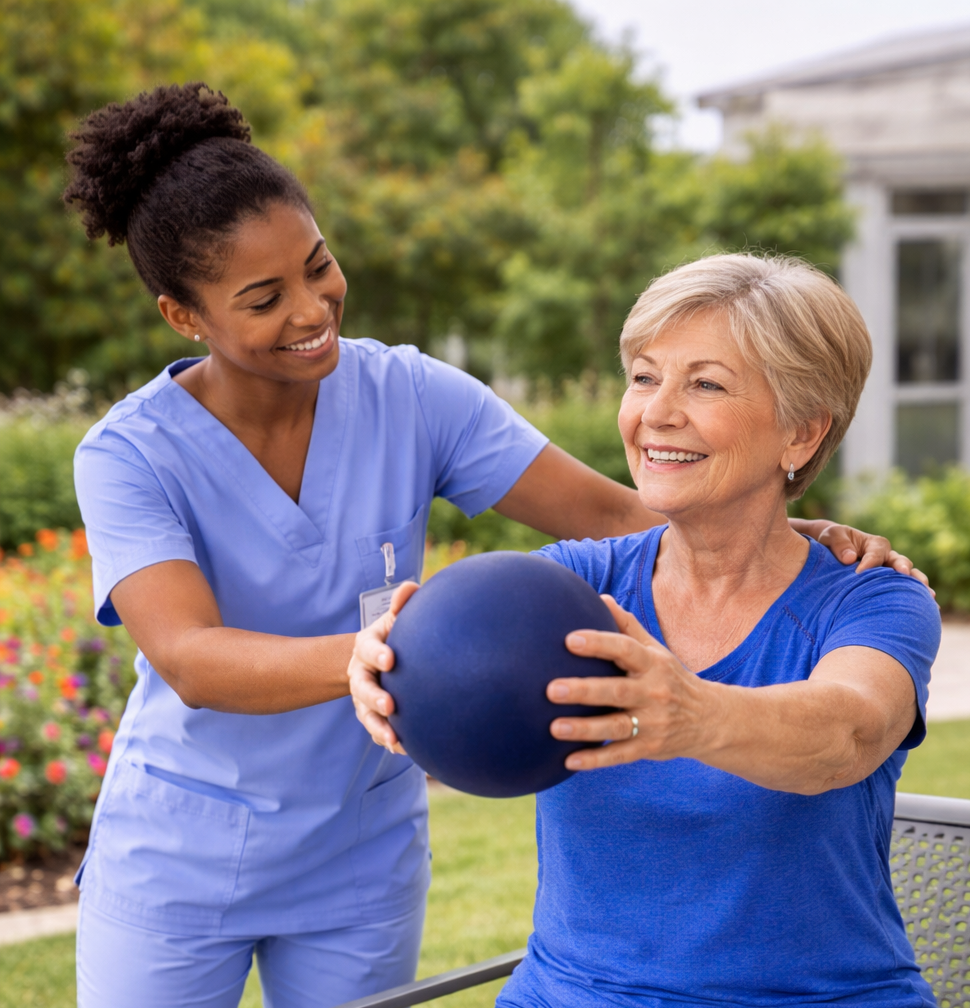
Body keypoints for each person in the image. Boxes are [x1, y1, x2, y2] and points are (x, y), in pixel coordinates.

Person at [66, 81, 917, 1008]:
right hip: (186, 848)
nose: (312, 309)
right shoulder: (130, 453)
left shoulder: (408, 395)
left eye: (319, 266)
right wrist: (381, 654)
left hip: (358, 846)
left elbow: (615, 511)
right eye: (265, 297)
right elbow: (189, 657)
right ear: (184, 315)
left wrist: (787, 523)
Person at [352, 254, 941, 1007]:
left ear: (801, 432)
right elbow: (455, 670)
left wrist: (693, 713)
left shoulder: (871, 599)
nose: (656, 413)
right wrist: (387, 666)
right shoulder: (574, 585)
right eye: (643, 377)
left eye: (706, 384)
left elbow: (849, 734)